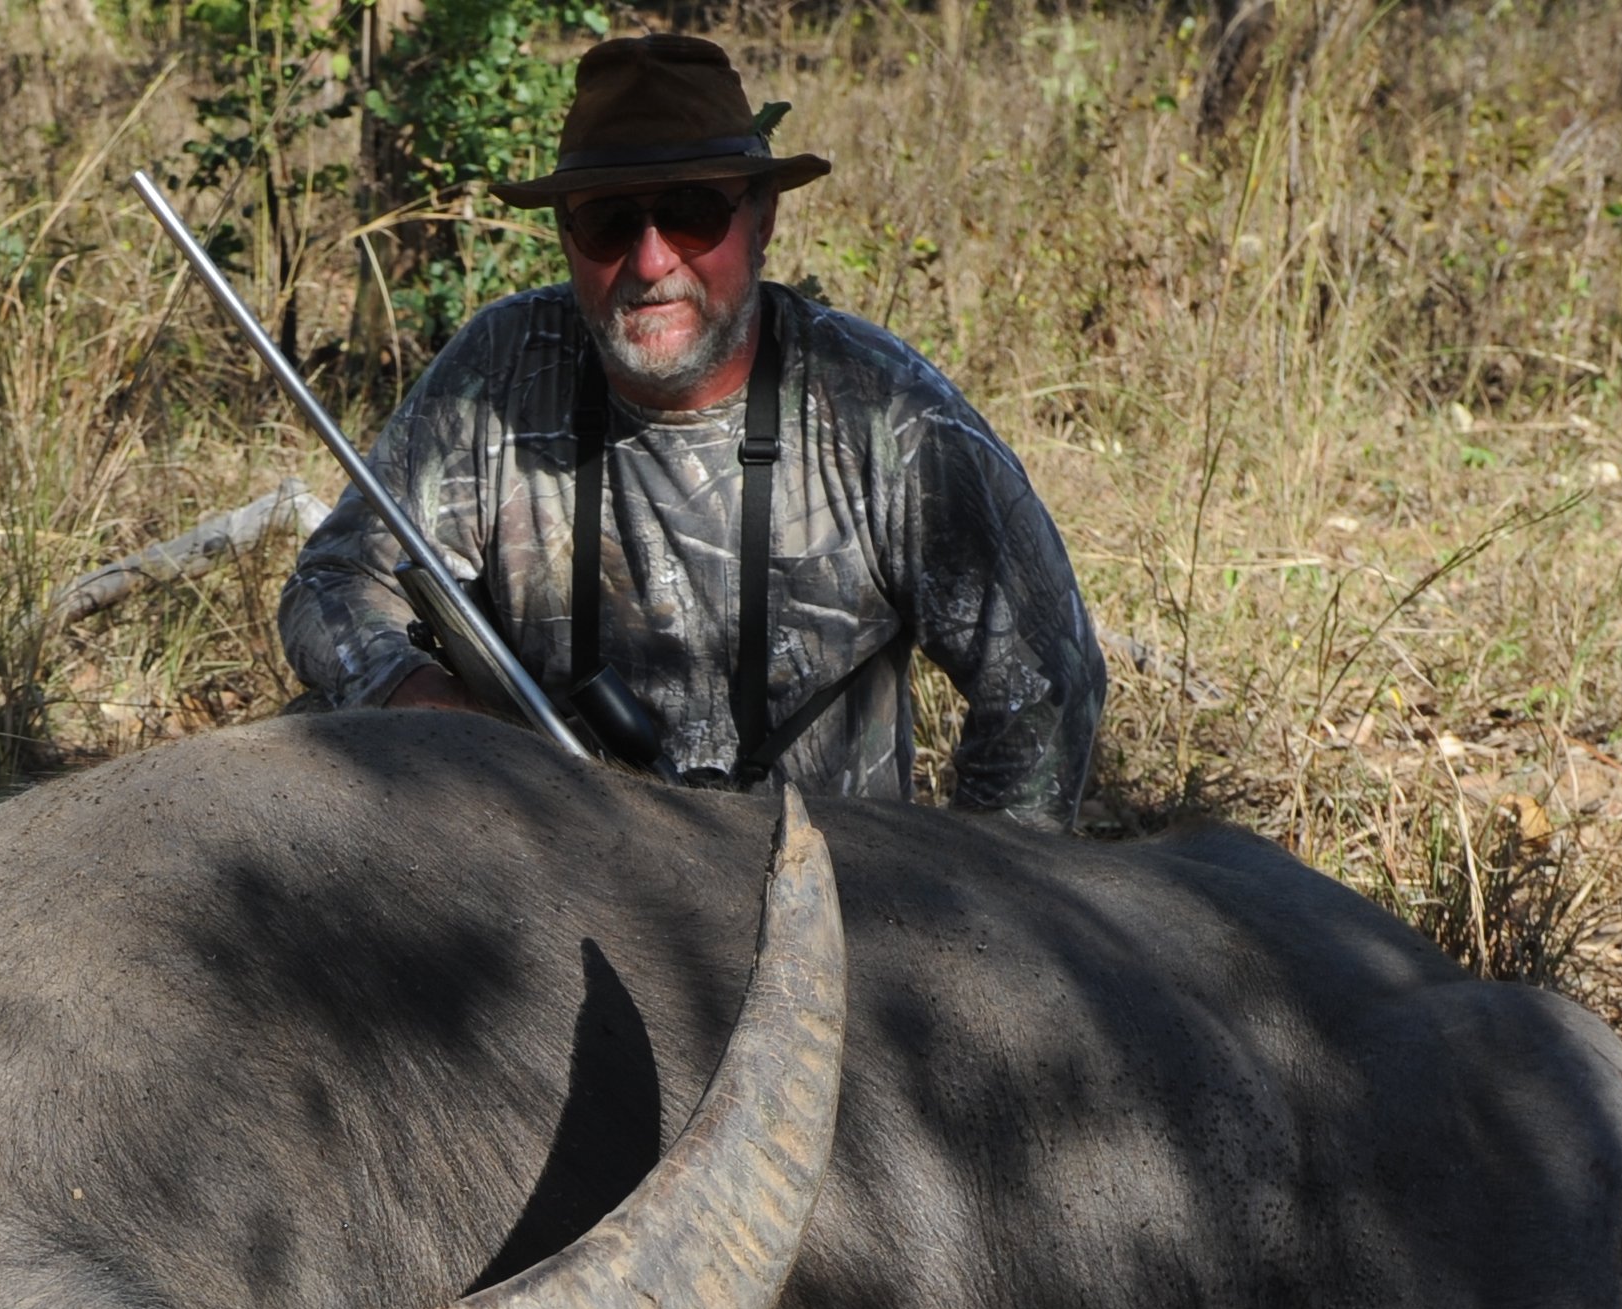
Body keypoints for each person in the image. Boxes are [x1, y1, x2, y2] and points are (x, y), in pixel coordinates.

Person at [281, 33, 1106, 826]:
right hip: (548, 880)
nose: (649, 262)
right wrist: (433, 707)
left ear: (763, 219)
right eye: (608, 222)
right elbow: (335, 578)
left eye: (690, 214)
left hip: (829, 914)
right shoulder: (498, 370)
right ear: (564, 231)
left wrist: (955, 933)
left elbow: (1048, 682)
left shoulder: (880, 411)